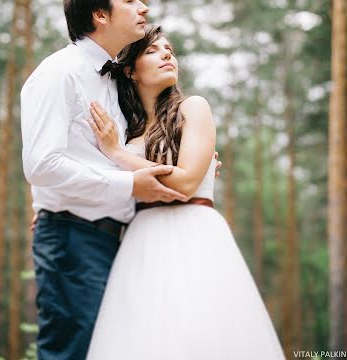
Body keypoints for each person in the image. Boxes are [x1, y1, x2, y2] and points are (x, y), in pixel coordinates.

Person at [21, 0, 213, 360]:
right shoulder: (60, 73)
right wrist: (126, 186)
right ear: (101, 15)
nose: (143, 7)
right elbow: (40, 163)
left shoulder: (115, 84)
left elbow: (127, 150)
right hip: (74, 236)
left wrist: (194, 164)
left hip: (118, 239)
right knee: (74, 351)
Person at [85, 24, 285, 360]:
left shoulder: (193, 108)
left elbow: (188, 182)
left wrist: (117, 154)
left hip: (195, 233)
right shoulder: (125, 130)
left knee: (201, 330)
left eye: (170, 50)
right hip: (140, 241)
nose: (166, 53)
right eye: (152, 50)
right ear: (131, 71)